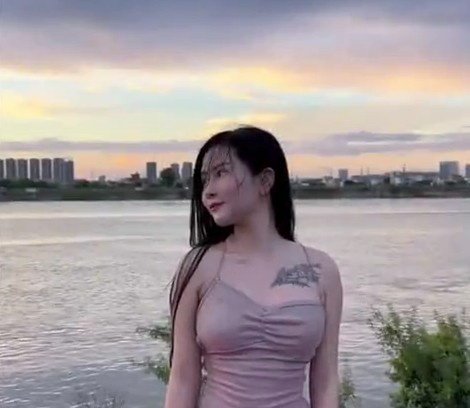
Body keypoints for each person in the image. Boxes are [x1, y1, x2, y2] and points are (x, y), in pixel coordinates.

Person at [164, 126, 343, 408]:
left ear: (265, 181)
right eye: (205, 179)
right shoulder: (198, 267)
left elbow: (326, 381)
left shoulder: (321, 271)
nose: (208, 191)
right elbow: (182, 379)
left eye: (221, 173)